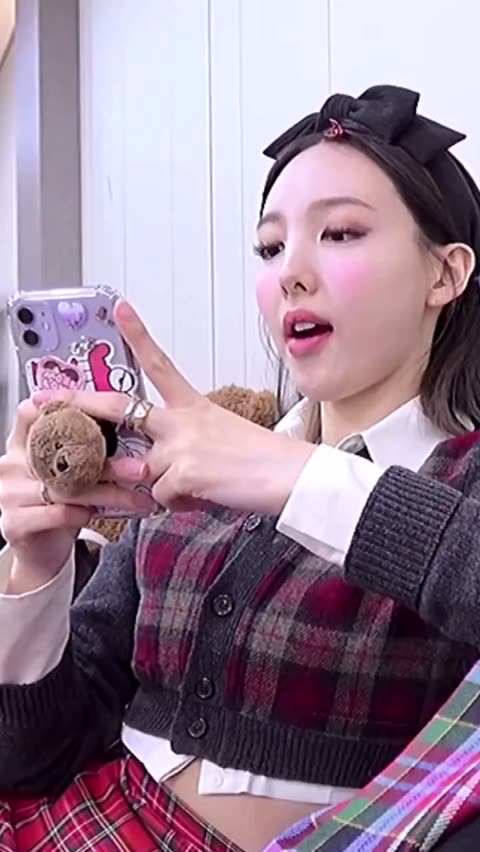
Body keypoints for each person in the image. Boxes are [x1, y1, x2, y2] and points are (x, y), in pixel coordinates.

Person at [1, 84, 480, 852]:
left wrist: (298, 477)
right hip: (78, 822)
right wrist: (37, 568)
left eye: (342, 232)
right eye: (269, 247)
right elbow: (33, 755)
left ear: (445, 275)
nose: (291, 273)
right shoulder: (204, 458)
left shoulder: (461, 479)